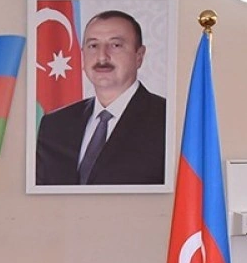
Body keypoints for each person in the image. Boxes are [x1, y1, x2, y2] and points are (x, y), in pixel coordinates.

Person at [35, 10, 166, 186]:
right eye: (93, 46)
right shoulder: (54, 125)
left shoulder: (167, 120)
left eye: (116, 45)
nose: (102, 56)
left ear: (139, 56)